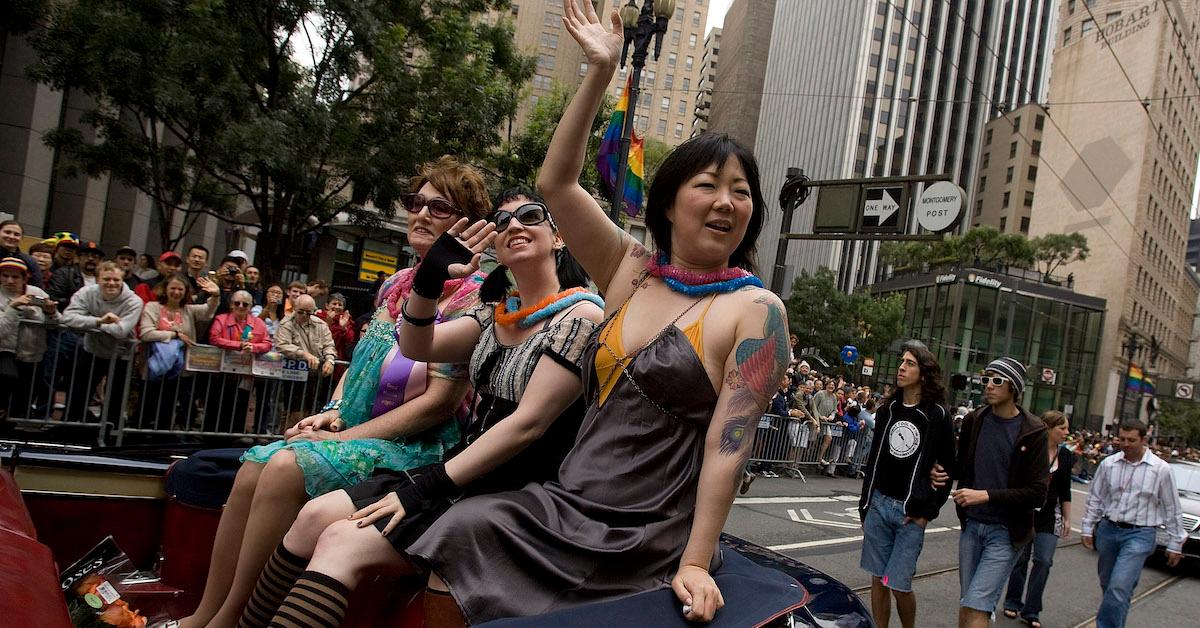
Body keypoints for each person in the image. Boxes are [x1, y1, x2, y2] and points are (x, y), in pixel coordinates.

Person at [392, 5, 793, 625]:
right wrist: (599, 71)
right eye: (708, 185)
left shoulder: (756, 310)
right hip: (566, 502)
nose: (726, 201)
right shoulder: (629, 271)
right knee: (460, 531)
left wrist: (695, 559)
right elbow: (556, 183)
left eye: (741, 190)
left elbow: (727, 447)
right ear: (668, 203)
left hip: (648, 531)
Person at [238, 192, 605, 628]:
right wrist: (429, 280)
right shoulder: (497, 316)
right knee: (313, 516)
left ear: (559, 237)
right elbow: (416, 345)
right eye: (502, 221)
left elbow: (528, 425)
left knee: (340, 539)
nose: (513, 226)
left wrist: (423, 489)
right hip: (463, 475)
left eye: (529, 216)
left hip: (521, 489)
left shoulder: (581, 314)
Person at [180, 155, 490, 627]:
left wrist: (341, 439)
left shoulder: (476, 296)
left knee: (285, 465)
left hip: (415, 448)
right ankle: (205, 615)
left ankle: (232, 620)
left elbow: (440, 403)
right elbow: (360, 364)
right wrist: (331, 412)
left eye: (439, 207)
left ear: (468, 225)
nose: (422, 214)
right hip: (356, 432)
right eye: (415, 202)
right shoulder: (396, 285)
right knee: (250, 470)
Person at [932, 357, 1049, 628]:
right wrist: (942, 472)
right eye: (986, 379)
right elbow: (962, 465)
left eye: (997, 381)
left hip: (1006, 532)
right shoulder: (976, 420)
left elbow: (1037, 493)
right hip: (972, 526)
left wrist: (985, 495)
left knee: (975, 604)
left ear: (1014, 388)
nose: (989, 386)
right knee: (969, 603)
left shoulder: (1033, 431)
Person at [857, 341, 955, 628]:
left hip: (910, 513)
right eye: (901, 362)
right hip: (879, 503)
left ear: (923, 373)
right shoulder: (889, 409)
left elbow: (949, 465)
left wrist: (928, 511)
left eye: (910, 363)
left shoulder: (936, 414)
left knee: (898, 584)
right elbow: (873, 459)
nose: (901, 367)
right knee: (878, 578)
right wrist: (865, 504)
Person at [1080, 419, 1185, 628]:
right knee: (1110, 585)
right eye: (1122, 439)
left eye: (1131, 440)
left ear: (1143, 440)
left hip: (1140, 534)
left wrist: (1175, 542)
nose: (1126, 444)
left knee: (1119, 587)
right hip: (1109, 530)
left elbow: (1171, 507)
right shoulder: (1109, 464)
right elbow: (1096, 498)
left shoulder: (1160, 469)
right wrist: (1087, 527)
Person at [1002, 410, 1074, 628]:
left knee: (1043, 560)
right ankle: (1013, 601)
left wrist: (1068, 518)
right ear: (1048, 428)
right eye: (1062, 428)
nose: (1066, 433)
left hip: (1049, 516)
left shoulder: (1066, 456)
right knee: (1020, 559)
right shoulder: (1033, 450)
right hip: (1026, 512)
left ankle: (1031, 610)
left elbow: (1065, 490)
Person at [59, 261, 143, 422]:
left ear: (122, 280)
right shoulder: (86, 292)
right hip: (91, 350)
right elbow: (68, 318)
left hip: (121, 355)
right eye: (106, 279)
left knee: (116, 398)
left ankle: (109, 433)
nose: (111, 283)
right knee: (78, 393)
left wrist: (91, 324)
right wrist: (99, 321)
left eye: (116, 280)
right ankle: (69, 429)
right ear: (97, 279)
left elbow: (121, 331)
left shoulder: (134, 301)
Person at [136, 273, 220, 430]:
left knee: (169, 404)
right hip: (153, 367)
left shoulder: (189, 310)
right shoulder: (153, 307)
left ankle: (162, 436)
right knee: (147, 402)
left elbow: (208, 311)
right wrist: (175, 335)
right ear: (165, 289)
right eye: (173, 288)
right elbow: (146, 333)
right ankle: (139, 432)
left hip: (179, 370)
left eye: (180, 289)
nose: (176, 292)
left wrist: (215, 295)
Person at [202, 290, 271, 434]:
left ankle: (235, 435)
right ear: (231, 304)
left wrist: (253, 347)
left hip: (244, 374)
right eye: (237, 303)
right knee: (216, 405)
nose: (240, 306)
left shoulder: (258, 323)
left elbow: (267, 343)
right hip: (221, 373)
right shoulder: (221, 319)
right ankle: (210, 435)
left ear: (250, 306)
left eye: (245, 304)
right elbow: (214, 338)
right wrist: (237, 345)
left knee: (240, 405)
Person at [0, 257, 59, 420]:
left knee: (23, 400)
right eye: (5, 276)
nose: (10, 281)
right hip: (5, 352)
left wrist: (50, 312)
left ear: (25, 277)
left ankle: (13, 434)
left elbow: (57, 324)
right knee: (7, 384)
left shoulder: (37, 293)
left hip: (33, 355)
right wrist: (13, 308)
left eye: (15, 277)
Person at [275, 294, 338, 423]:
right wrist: (304, 354)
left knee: (313, 410)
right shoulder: (287, 323)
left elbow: (329, 345)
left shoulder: (320, 324)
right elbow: (282, 345)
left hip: (315, 375)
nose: (304, 315)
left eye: (308, 313)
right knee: (292, 411)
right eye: (300, 312)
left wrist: (329, 360)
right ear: (294, 308)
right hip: (293, 375)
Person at [316, 292, 356, 379]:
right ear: (327, 305)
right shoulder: (318, 317)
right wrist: (327, 324)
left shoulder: (347, 320)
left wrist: (343, 328)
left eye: (340, 305)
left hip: (336, 363)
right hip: (317, 359)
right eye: (334, 303)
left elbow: (350, 339)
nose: (337, 307)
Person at [0, 220, 44, 288]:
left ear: (21, 238)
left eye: (16, 234)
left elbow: (37, 287)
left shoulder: (30, 261)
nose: (11, 236)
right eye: (7, 232)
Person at [810, 379, 839, 466]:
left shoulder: (834, 397)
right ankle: (808, 457)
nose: (831, 387)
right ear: (826, 385)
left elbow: (834, 410)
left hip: (826, 422)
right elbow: (813, 406)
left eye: (833, 385)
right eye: (829, 385)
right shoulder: (820, 394)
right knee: (812, 440)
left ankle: (820, 458)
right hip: (817, 420)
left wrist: (832, 416)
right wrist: (819, 416)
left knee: (828, 438)